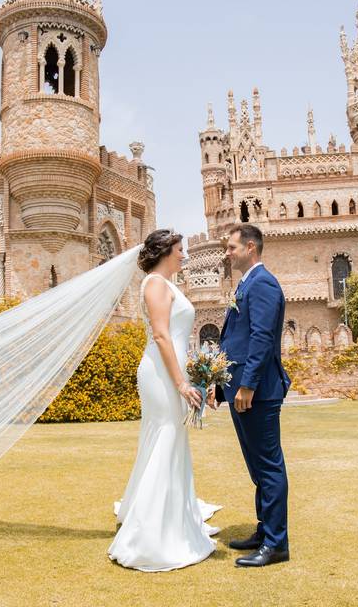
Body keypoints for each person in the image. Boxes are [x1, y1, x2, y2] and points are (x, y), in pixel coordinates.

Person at [107, 229, 221, 572]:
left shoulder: (168, 284)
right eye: (179, 250)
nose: (184, 255)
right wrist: (181, 383)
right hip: (161, 374)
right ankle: (151, 535)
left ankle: (168, 517)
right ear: (165, 252)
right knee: (166, 437)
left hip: (172, 370)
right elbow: (160, 335)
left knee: (169, 439)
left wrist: (199, 377)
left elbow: (179, 338)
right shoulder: (155, 284)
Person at [212, 224, 292, 567]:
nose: (227, 253)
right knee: (258, 467)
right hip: (241, 389)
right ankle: (265, 530)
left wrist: (248, 384)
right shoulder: (247, 284)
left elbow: (261, 337)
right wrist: (220, 383)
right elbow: (235, 339)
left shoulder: (263, 284)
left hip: (256, 392)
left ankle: (276, 544)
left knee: (269, 466)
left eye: (232, 247)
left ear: (250, 248)